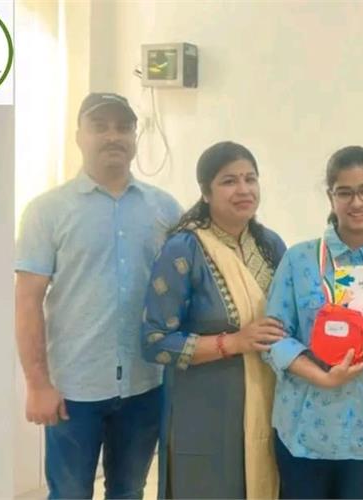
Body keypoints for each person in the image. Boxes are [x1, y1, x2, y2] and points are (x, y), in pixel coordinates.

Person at [14, 92, 182, 499]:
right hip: (74, 388)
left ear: (135, 138)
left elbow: (182, 293)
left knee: (128, 491)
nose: (113, 136)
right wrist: (37, 384)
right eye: (100, 126)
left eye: (123, 127)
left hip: (146, 383)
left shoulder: (164, 209)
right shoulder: (47, 211)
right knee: (70, 493)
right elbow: (27, 301)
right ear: (79, 136)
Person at [141, 141, 286, 499]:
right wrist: (232, 342)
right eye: (229, 181)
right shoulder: (184, 249)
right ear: (206, 192)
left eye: (250, 178)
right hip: (203, 412)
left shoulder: (270, 246)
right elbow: (154, 342)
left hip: (268, 404)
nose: (244, 189)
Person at [263, 146, 363, 499]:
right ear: (331, 197)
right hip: (304, 426)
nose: (356, 202)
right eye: (344, 192)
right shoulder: (299, 259)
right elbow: (273, 338)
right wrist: (322, 377)